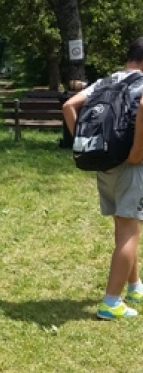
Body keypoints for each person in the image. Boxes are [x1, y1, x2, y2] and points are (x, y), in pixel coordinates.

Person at [63, 37, 143, 320]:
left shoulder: (108, 81)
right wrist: (135, 153)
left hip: (105, 165)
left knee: (123, 227)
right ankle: (111, 302)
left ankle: (134, 286)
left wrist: (85, 143)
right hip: (130, 167)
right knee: (129, 231)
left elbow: (69, 106)